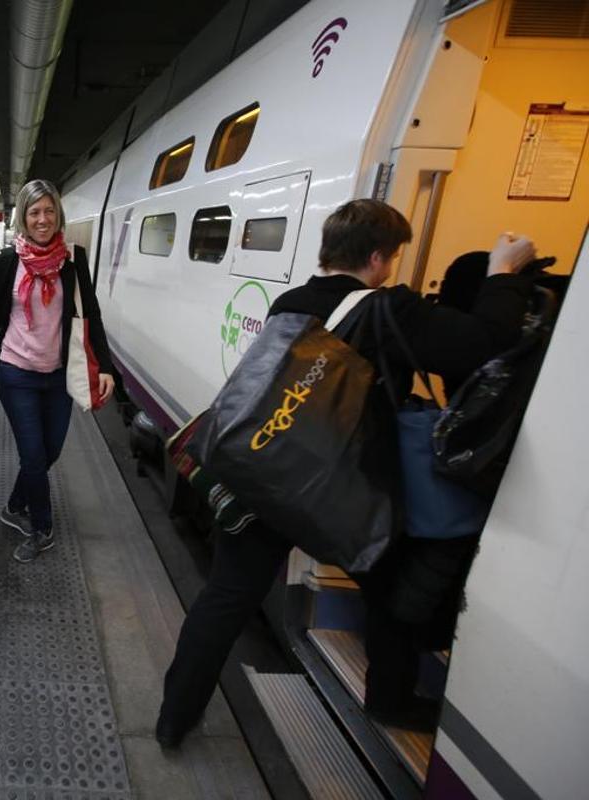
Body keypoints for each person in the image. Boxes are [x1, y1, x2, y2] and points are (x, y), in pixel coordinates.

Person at [155, 199, 538, 747]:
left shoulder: (292, 301)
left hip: (267, 476)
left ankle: (175, 719)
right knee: (391, 586)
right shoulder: (390, 310)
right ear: (378, 258)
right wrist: (504, 275)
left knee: (225, 598)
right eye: (395, 256)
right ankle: (391, 699)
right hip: (339, 490)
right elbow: (489, 346)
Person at [0, 179, 116, 563]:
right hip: (16, 372)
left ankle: (13, 505)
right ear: (23, 218)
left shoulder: (74, 260)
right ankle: (42, 528)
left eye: (49, 211)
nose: (42, 219)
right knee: (34, 457)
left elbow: (90, 314)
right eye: (34, 212)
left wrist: (105, 366)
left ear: (59, 214)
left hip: (59, 374)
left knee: (50, 452)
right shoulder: (7, 263)